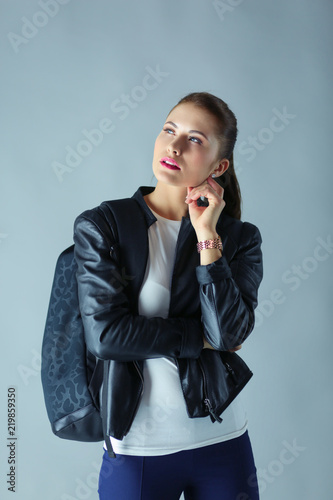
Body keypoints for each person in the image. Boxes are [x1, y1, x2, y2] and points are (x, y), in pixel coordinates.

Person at [73, 92, 263, 500]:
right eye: (169, 130)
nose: (174, 146)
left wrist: (208, 236)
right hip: (139, 447)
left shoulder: (239, 238)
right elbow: (106, 336)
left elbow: (228, 336)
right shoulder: (105, 226)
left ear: (220, 165)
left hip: (223, 440)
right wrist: (198, 337)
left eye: (195, 139)